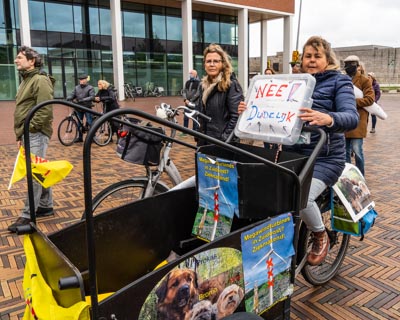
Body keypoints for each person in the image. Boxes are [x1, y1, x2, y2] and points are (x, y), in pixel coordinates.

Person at [239, 36, 359, 265]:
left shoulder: (339, 82)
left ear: (327, 59)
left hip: (325, 158)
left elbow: (351, 117)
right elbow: (271, 112)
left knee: (300, 196)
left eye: (317, 56)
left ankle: (319, 233)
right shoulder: (294, 82)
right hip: (293, 155)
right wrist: (250, 109)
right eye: (308, 56)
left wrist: (328, 118)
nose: (311, 60)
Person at [8, 46, 56, 233]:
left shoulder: (40, 80)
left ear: (32, 61)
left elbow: (45, 109)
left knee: (33, 173)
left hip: (36, 132)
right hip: (29, 133)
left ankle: (29, 216)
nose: (16, 60)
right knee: (39, 169)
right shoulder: (26, 80)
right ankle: (45, 204)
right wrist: (21, 134)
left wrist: (29, 129)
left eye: (20, 57)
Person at [196, 43, 243, 146]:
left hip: (223, 145)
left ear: (223, 64)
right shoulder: (203, 86)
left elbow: (236, 117)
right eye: (208, 61)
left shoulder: (230, 85)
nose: (212, 64)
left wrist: (224, 139)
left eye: (216, 61)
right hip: (204, 141)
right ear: (204, 64)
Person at [343, 55, 375, 176]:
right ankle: (347, 177)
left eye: (350, 64)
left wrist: (351, 101)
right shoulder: (343, 79)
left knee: (357, 152)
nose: (347, 67)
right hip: (345, 121)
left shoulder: (364, 80)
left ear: (357, 66)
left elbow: (370, 99)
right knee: (345, 152)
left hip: (358, 121)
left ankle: (360, 176)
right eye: (346, 64)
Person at [67, 74, 95, 142]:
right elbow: (72, 94)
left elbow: (92, 97)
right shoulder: (76, 87)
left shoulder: (90, 88)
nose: (81, 81)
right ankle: (80, 137)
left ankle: (92, 137)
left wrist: (83, 99)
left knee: (89, 121)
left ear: (86, 80)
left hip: (87, 107)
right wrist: (68, 98)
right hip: (78, 107)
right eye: (80, 80)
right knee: (79, 123)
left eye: (83, 80)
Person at [181, 69, 201, 136]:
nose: (190, 74)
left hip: (195, 103)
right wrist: (185, 99)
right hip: (186, 103)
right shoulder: (187, 82)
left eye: (191, 73)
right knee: (185, 117)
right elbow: (183, 91)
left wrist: (191, 100)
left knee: (194, 117)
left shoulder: (199, 83)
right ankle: (185, 131)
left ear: (195, 74)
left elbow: (198, 93)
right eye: (190, 73)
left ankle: (194, 132)